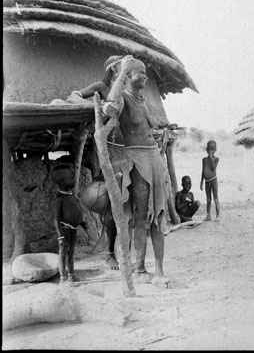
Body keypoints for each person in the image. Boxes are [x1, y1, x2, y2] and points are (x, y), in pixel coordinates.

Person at [103, 56, 169, 285]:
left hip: (153, 157)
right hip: (138, 158)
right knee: (141, 217)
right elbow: (109, 104)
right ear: (129, 76)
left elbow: (149, 126)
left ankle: (159, 270)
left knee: (158, 216)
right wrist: (121, 72)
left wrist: (158, 133)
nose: (145, 76)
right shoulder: (122, 98)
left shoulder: (141, 100)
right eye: (140, 72)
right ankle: (140, 270)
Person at [67, 55, 131, 271]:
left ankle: (125, 252)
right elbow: (73, 96)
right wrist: (98, 107)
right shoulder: (102, 87)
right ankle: (110, 254)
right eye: (118, 67)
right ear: (112, 69)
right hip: (107, 153)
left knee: (127, 205)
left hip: (128, 153)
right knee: (112, 204)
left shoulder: (127, 91)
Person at [52, 164, 87, 285]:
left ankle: (71, 276)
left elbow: (74, 210)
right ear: (62, 181)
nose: (75, 180)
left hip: (73, 229)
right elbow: (56, 219)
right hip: (64, 230)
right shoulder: (59, 200)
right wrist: (60, 236)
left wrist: (81, 222)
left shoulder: (71, 195)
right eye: (72, 177)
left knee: (71, 252)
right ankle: (63, 278)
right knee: (63, 254)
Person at [200, 140, 220, 222]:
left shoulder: (216, 159)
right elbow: (203, 170)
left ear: (215, 150)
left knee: (215, 197)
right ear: (206, 149)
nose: (210, 151)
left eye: (212, 149)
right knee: (208, 199)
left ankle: (218, 215)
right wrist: (201, 182)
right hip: (206, 181)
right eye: (209, 149)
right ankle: (208, 215)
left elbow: (213, 168)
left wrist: (211, 158)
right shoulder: (204, 159)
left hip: (213, 180)